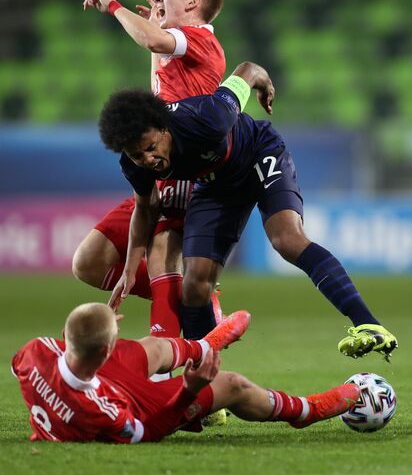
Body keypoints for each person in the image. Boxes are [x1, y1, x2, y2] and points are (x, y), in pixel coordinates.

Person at [99, 60, 398, 360]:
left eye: (151, 147)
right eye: (138, 155)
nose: (148, 159)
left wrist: (265, 85)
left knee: (287, 240)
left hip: (258, 154)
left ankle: (369, 325)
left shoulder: (208, 117)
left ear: (164, 128)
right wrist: (128, 268)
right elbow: (145, 209)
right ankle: (207, 388)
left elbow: (248, 69)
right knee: (194, 283)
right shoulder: (133, 165)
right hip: (215, 186)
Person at [75, 0, 226, 339]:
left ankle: (170, 358)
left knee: (160, 250)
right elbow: (158, 96)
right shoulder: (175, 45)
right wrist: (157, 30)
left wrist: (114, 6)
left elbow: (153, 42)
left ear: (193, 1)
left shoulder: (200, 38)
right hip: (155, 163)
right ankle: (195, 298)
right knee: (88, 263)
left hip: (183, 164)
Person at [12, 302, 360, 443]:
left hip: (87, 374)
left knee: (152, 346)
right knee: (231, 384)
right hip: (119, 400)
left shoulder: (34, 352)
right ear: (105, 352)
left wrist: (98, 326)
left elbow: (38, 359)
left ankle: (207, 345)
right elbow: (150, 432)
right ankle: (304, 411)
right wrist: (190, 390)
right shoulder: (104, 412)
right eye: (112, 339)